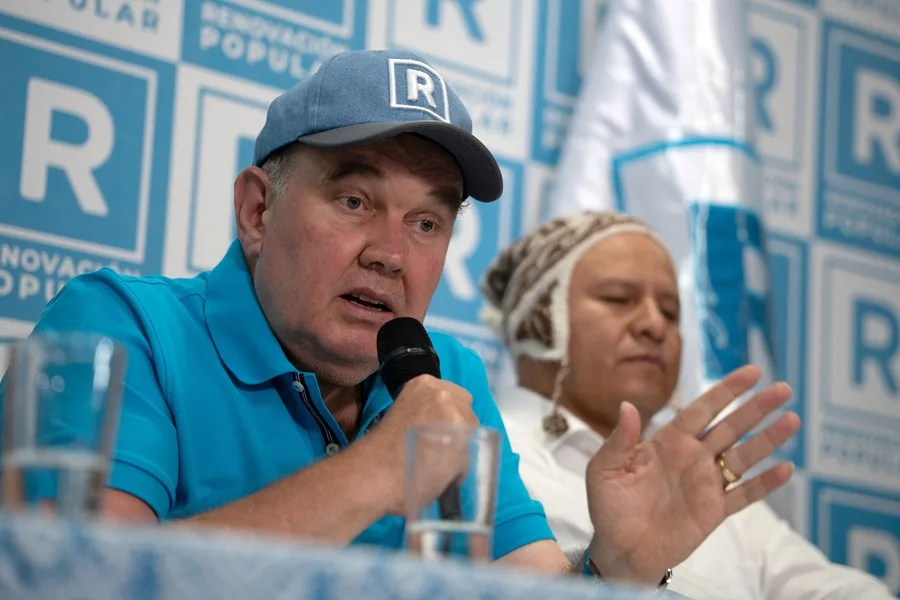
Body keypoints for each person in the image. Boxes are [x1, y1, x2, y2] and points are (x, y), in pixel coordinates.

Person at [4, 49, 798, 588]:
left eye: (427, 222)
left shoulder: (446, 376)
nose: (392, 254)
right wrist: (380, 469)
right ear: (257, 208)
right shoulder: (121, 328)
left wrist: (616, 572)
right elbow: (77, 582)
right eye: (355, 201)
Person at [481, 210, 894, 598]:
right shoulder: (480, 451)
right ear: (535, 318)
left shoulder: (698, 479)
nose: (654, 324)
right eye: (619, 297)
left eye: (670, 310)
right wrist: (620, 566)